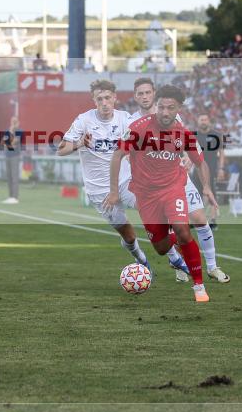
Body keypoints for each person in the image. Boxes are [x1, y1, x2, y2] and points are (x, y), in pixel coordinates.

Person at [57, 80, 186, 275]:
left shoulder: (125, 119)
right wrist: (80, 143)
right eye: (99, 99)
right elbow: (61, 150)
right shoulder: (83, 121)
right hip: (98, 190)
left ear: (115, 98)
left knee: (155, 213)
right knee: (128, 233)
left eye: (108, 98)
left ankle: (174, 258)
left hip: (126, 182)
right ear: (94, 100)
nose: (104, 102)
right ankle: (140, 258)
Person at [107, 85, 218, 302]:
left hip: (172, 188)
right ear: (156, 106)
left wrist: (206, 187)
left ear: (179, 109)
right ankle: (175, 240)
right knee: (160, 247)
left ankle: (199, 286)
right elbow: (117, 155)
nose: (165, 112)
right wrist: (113, 192)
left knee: (183, 229)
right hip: (146, 194)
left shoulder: (183, 134)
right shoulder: (138, 128)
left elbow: (200, 162)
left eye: (171, 108)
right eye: (161, 107)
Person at [129, 78, 230, 283]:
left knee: (200, 219)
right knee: (168, 232)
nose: (144, 96)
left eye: (148, 92)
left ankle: (212, 267)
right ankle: (180, 265)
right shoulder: (132, 122)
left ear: (154, 94)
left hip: (178, 177)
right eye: (140, 93)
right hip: (150, 185)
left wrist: (188, 159)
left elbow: (189, 147)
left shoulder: (174, 116)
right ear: (135, 97)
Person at [192, 114, 226, 229]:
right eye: (201, 119)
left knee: (211, 193)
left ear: (209, 122)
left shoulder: (217, 135)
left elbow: (221, 153)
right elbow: (188, 153)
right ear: (198, 121)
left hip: (211, 169)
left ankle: (212, 221)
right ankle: (196, 219)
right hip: (196, 169)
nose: (203, 121)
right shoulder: (193, 135)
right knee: (195, 193)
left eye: (205, 119)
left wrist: (221, 169)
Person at [2, 116, 22, 204]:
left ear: (18, 122)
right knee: (9, 177)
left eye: (15, 121)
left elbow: (13, 142)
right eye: (12, 121)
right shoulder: (8, 131)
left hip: (15, 156)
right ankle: (10, 196)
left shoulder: (20, 131)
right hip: (7, 155)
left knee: (14, 177)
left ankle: (15, 197)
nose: (13, 123)